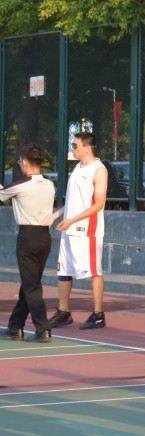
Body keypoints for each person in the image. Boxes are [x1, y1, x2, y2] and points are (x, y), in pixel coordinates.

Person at [49, 132, 109, 330]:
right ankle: (63, 312)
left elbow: (99, 204)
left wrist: (72, 220)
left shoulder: (99, 170)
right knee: (64, 270)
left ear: (87, 148)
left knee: (93, 271)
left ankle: (98, 314)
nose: (72, 149)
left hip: (87, 230)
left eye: (75, 146)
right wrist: (57, 215)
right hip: (69, 229)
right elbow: (73, 201)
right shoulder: (77, 167)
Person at [2, 145, 57, 342]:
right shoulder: (49, 184)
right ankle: (15, 326)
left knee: (31, 285)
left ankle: (43, 329)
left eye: (20, 161)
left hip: (27, 237)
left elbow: (2, 195)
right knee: (30, 282)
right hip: (44, 237)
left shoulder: (21, 185)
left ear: (25, 162)